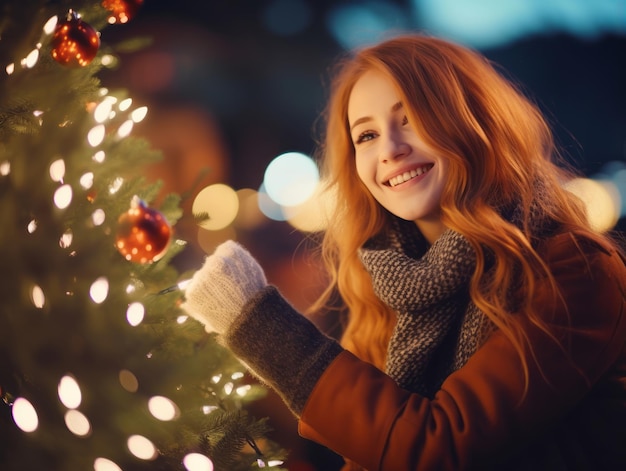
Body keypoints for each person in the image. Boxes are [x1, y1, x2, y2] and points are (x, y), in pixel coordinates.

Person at [181, 34, 626, 470]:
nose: (390, 150)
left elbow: (439, 447)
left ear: (473, 120)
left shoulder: (573, 270)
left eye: (410, 117)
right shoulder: (389, 288)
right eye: (367, 135)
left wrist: (257, 322)